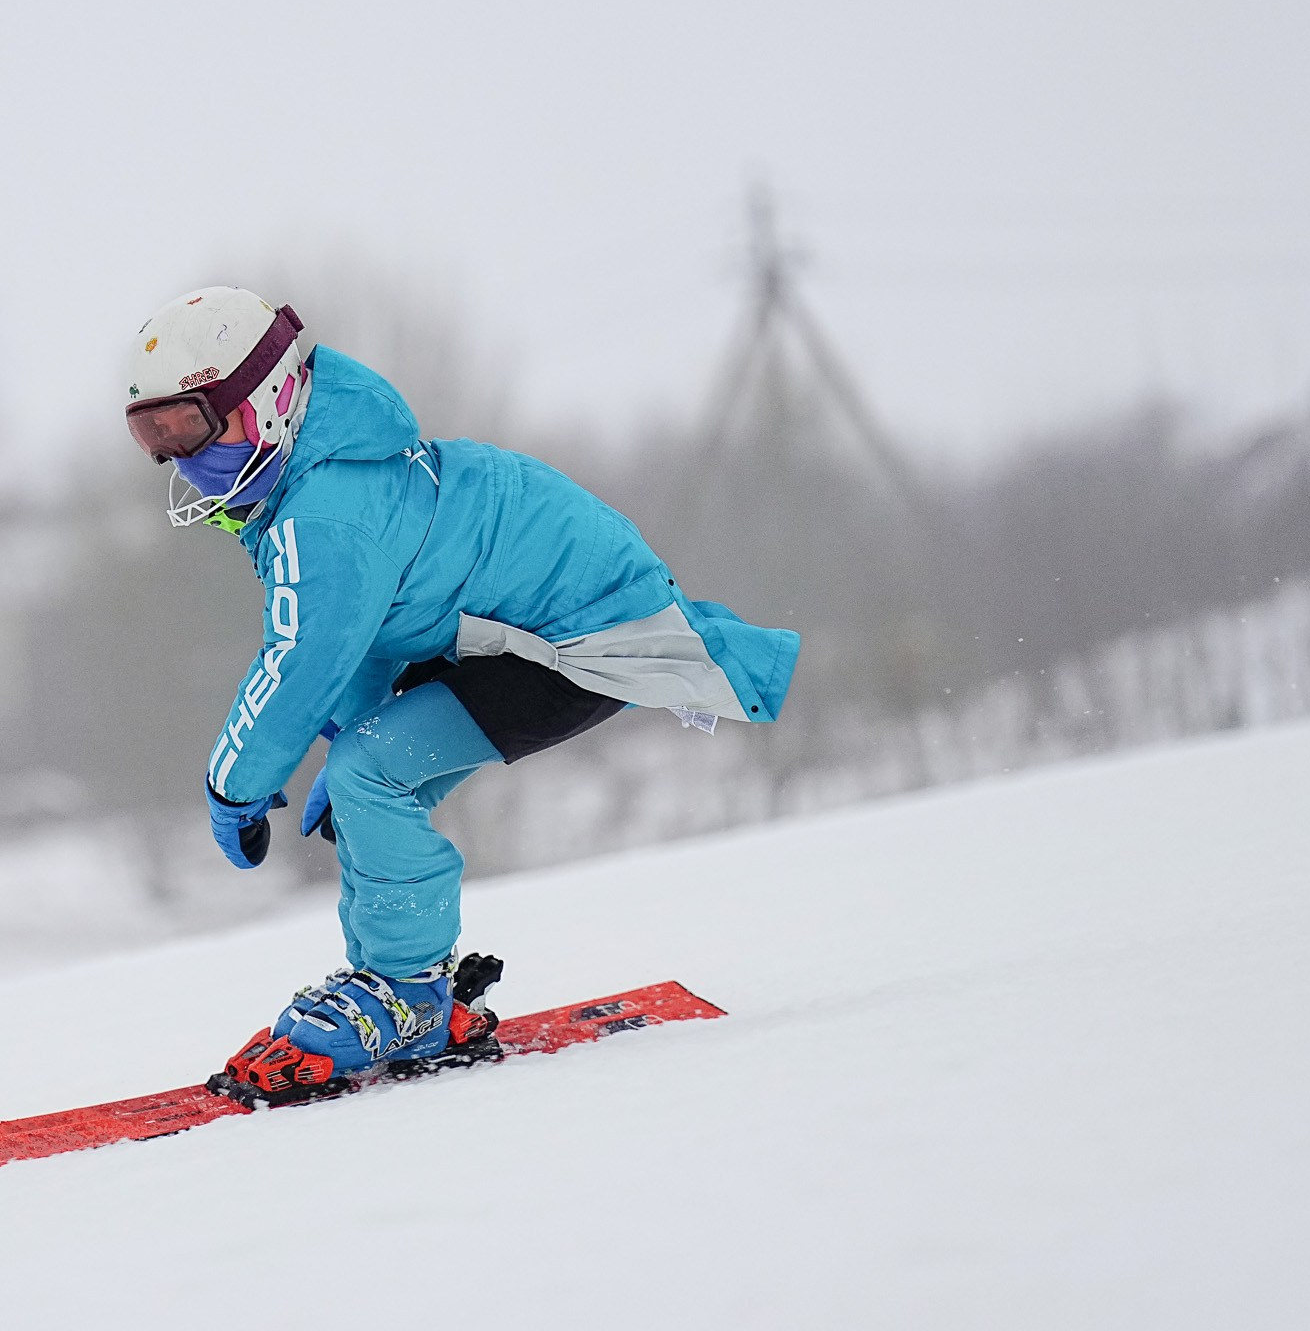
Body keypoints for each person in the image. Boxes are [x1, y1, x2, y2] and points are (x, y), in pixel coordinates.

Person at [123, 286, 801, 1099]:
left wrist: (234, 781)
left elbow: (302, 653)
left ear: (266, 401)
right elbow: (373, 628)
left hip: (575, 638)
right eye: (153, 435)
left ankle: (405, 991)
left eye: (191, 424)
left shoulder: (324, 513)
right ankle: (400, 981)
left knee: (375, 771)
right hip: (519, 630)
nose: (181, 458)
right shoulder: (328, 471)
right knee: (367, 768)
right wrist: (344, 734)